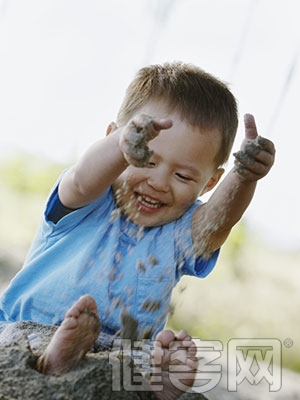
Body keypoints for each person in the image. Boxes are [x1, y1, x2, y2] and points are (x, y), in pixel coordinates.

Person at [0, 62, 275, 398]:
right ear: (115, 137)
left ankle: (161, 385)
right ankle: (57, 358)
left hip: (124, 355)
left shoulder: (178, 232)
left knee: (141, 368)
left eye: (184, 177)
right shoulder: (88, 198)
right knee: (26, 344)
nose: (159, 182)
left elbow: (216, 225)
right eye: (145, 158)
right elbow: (83, 177)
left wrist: (243, 177)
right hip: (29, 329)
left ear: (210, 183)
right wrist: (121, 147)